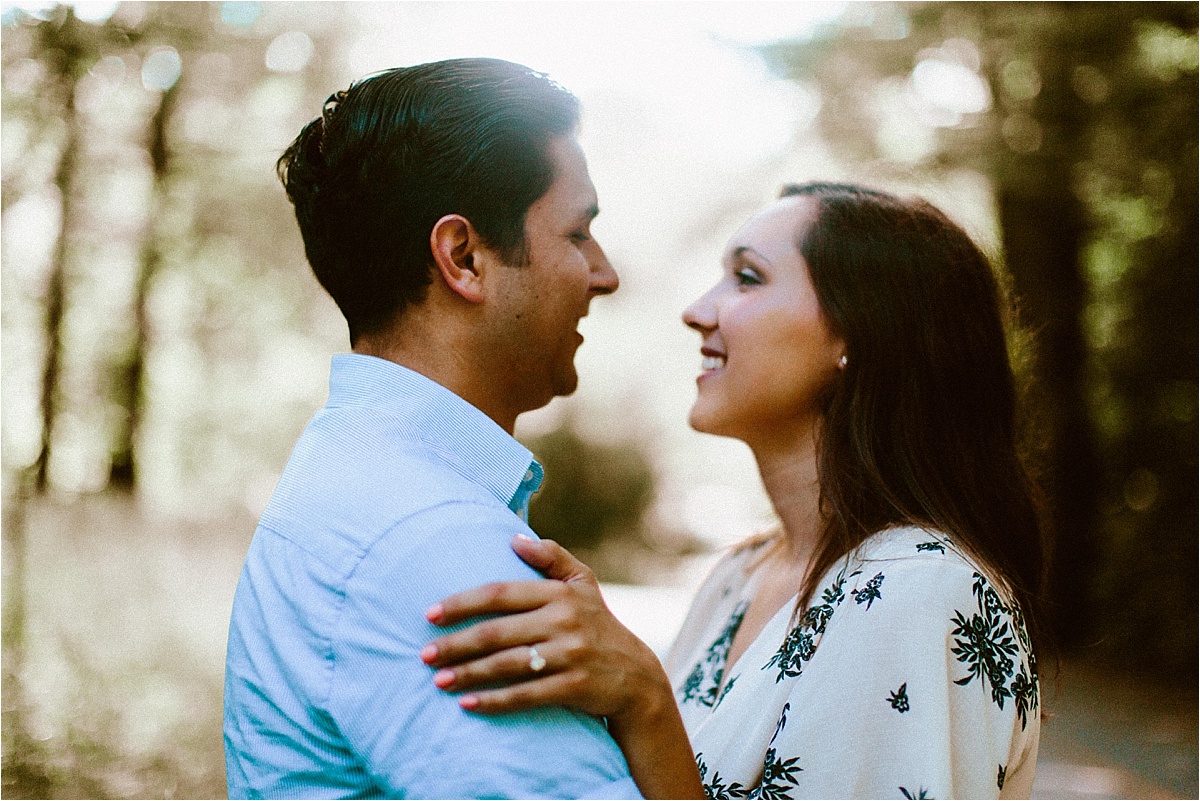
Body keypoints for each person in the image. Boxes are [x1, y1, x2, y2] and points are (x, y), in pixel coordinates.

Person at [420, 182, 1047, 799]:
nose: (698, 310)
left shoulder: (921, 592)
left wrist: (644, 699)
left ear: (856, 333)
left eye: (747, 278)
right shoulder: (739, 575)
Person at [223, 58, 696, 799]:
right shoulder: (432, 539)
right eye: (578, 233)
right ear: (465, 257)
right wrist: (645, 698)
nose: (605, 275)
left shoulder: (358, 476)